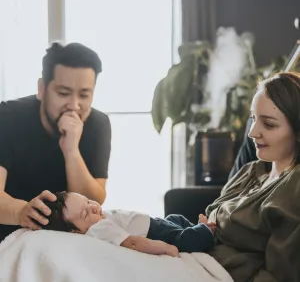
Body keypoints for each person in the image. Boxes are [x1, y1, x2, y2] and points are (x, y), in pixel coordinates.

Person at [0, 42, 111, 242]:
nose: (74, 105)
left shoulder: (98, 125)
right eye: (63, 93)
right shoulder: (7, 117)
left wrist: (71, 151)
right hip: (9, 237)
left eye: (84, 95)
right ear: (42, 89)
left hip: (69, 241)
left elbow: (94, 202)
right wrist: (22, 212)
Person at [206, 72, 300, 282]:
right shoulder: (250, 171)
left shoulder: (294, 188)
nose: (252, 133)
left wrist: (221, 249)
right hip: (193, 263)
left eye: (268, 124)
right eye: (253, 119)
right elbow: (209, 215)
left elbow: (278, 276)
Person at [41, 191, 216, 256]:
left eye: (87, 201)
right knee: (182, 239)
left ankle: (195, 226)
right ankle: (205, 231)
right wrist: (165, 248)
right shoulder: (98, 229)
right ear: (76, 232)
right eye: (85, 213)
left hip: (154, 222)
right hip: (153, 233)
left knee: (174, 219)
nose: (93, 207)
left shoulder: (97, 219)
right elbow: (132, 242)